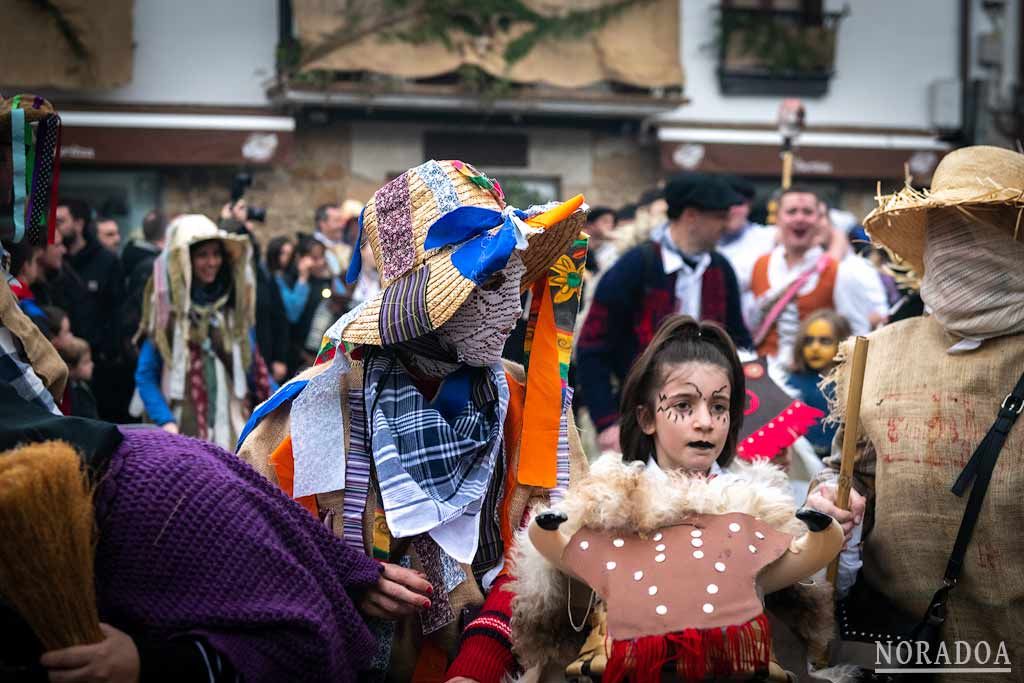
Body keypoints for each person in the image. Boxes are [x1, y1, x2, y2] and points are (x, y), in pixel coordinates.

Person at [236, 159, 590, 682]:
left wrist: (486, 650)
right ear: (428, 308)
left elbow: (570, 543)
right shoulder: (312, 409)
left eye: (515, 287)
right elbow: (250, 551)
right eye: (492, 286)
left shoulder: (532, 403)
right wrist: (345, 576)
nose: (514, 313)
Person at [510, 315, 841, 681]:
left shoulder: (761, 506)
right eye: (684, 406)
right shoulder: (604, 505)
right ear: (647, 417)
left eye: (719, 407)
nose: (705, 422)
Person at [805, 146, 1024, 677]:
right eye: (946, 226)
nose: (959, 244)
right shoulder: (877, 350)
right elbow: (851, 475)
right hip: (895, 647)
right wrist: (835, 500)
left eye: (980, 226)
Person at [577, 173, 752, 454]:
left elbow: (740, 341)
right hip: (639, 419)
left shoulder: (721, 269)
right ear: (692, 216)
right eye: (719, 215)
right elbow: (591, 348)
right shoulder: (634, 267)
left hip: (706, 419)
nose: (726, 224)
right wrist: (607, 422)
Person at [134, 214, 270, 449]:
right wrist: (166, 422)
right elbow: (145, 375)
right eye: (202, 255)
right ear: (185, 261)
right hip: (182, 437)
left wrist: (285, 400)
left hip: (232, 433)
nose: (212, 262)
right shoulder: (168, 316)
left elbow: (253, 369)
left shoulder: (232, 314)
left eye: (216, 254)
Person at [749, 187, 875, 365]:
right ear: (777, 218)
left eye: (807, 212)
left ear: (819, 219)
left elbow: (858, 334)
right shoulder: (760, 265)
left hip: (813, 380)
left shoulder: (840, 272)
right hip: (764, 376)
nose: (799, 218)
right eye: (791, 211)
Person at [55, 199, 127, 421]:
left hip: (99, 366)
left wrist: (106, 352)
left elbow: (117, 312)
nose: (55, 228)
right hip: (61, 363)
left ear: (78, 223)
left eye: (61, 221)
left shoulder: (107, 262)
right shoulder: (56, 261)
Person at [784, 309, 851, 458]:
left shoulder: (851, 383)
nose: (814, 347)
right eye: (808, 341)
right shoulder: (792, 383)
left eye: (825, 341)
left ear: (843, 344)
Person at [277, 235, 332, 372]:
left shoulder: (324, 282)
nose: (321, 262)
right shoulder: (289, 281)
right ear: (300, 258)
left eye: (323, 257)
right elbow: (293, 316)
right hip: (293, 356)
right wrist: (303, 277)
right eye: (315, 258)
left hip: (318, 355)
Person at [56, 335, 98, 418]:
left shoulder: (82, 384)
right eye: (86, 362)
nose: (92, 365)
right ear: (71, 368)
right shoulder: (68, 395)